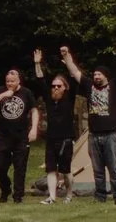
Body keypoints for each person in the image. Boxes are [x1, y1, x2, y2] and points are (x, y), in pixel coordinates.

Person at [67, 43, 116, 204]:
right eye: (94, 74)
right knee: (97, 169)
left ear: (105, 76)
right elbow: (75, 72)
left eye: (99, 75)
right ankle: (100, 196)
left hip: (111, 134)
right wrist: (66, 56)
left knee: (113, 168)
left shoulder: (115, 85)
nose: (96, 77)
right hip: (94, 134)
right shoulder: (89, 86)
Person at [33, 52, 80, 204]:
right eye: (53, 86)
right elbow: (40, 80)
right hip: (51, 139)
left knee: (66, 171)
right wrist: (37, 64)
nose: (55, 88)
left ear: (65, 88)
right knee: (51, 169)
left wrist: (68, 61)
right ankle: (52, 197)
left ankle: (69, 194)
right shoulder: (49, 98)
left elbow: (74, 77)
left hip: (66, 139)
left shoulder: (69, 96)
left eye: (58, 86)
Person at [0, 67, 33, 204]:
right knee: (0, 166)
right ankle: (5, 189)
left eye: (12, 81)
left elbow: (34, 110)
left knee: (20, 167)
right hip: (3, 136)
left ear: (19, 80)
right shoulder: (1, 90)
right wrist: (4, 94)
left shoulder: (26, 93)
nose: (9, 83)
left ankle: (18, 196)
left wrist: (34, 128)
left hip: (21, 136)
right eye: (7, 81)